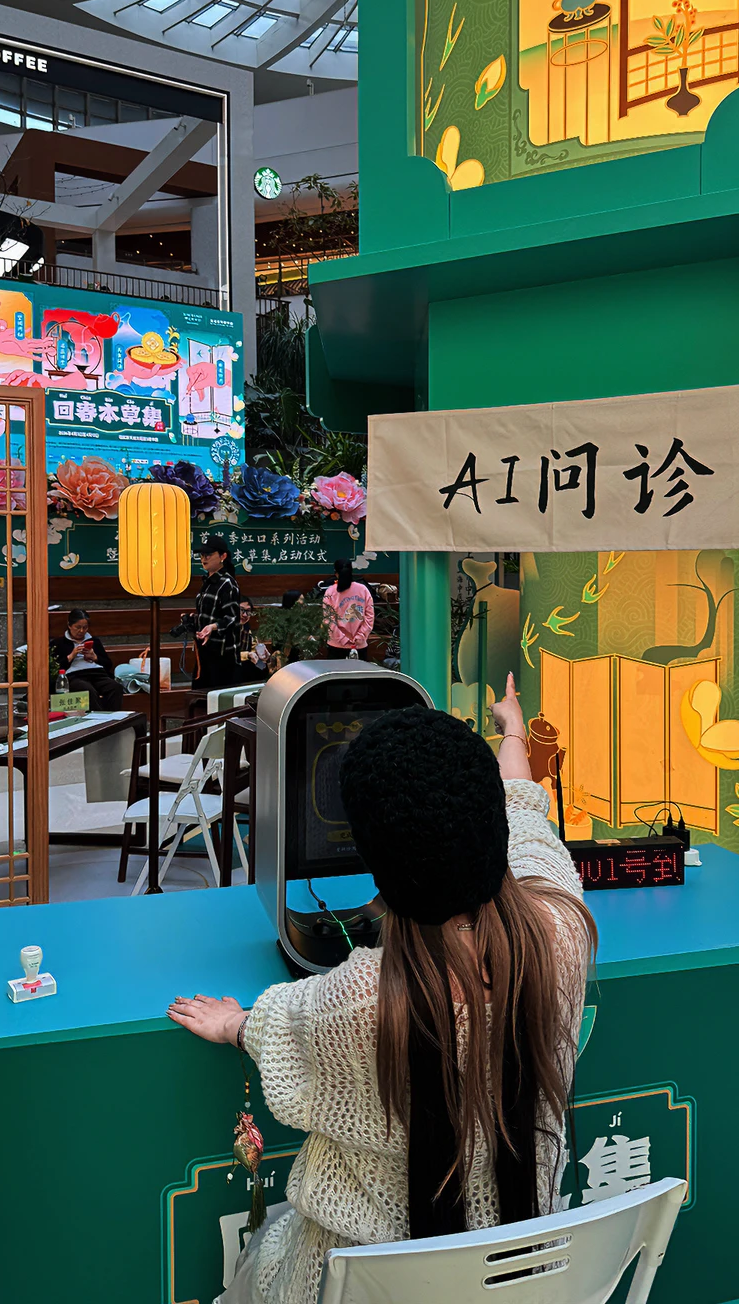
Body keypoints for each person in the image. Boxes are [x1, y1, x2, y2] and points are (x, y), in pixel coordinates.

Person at [168, 674, 595, 1304]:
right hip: (521, 1280)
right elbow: (525, 811)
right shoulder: (560, 932)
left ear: (377, 861)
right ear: (491, 831)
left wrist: (232, 1022)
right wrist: (511, 729)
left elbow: (273, 1025)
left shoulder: (358, 1001)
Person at [190, 537, 241, 691]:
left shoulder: (227, 583)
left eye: (208, 555)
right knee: (200, 695)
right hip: (205, 649)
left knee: (217, 697)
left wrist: (213, 627)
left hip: (222, 653)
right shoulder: (208, 581)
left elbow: (232, 618)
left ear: (222, 556)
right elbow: (209, 613)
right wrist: (193, 618)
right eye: (202, 555)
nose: (203, 559)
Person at [49, 609, 124, 711]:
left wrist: (95, 657)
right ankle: (99, 718)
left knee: (115, 687)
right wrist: (71, 656)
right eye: (78, 627)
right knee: (87, 690)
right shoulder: (58, 643)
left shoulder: (94, 641)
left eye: (85, 628)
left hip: (97, 674)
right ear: (69, 625)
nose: (81, 631)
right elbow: (54, 668)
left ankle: (113, 717)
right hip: (74, 676)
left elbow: (108, 664)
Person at [322, 558, 375, 660]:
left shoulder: (330, 592)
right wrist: (360, 636)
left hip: (336, 645)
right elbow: (370, 616)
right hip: (359, 645)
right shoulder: (363, 589)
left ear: (336, 573)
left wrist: (343, 639)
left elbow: (328, 620)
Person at [237, 596, 271, 683]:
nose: (245, 615)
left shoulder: (247, 628)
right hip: (228, 665)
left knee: (263, 668)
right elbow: (227, 654)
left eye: (248, 611)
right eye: (241, 610)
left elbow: (254, 647)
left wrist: (264, 658)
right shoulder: (224, 628)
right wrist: (247, 655)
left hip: (245, 662)